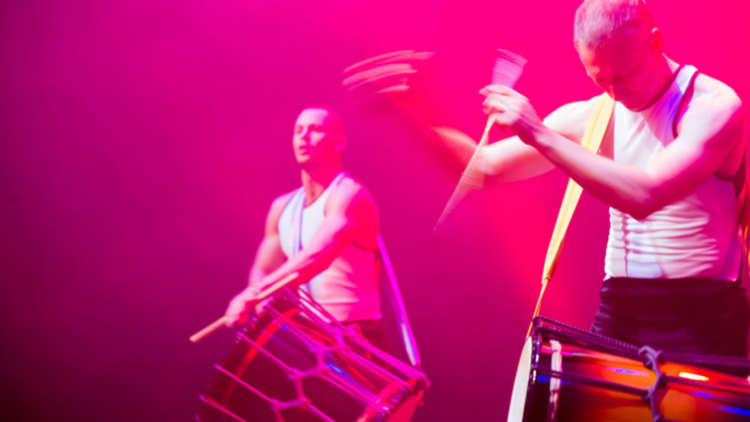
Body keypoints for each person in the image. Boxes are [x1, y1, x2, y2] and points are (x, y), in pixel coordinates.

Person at [346, 0, 750, 356]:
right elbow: (481, 167)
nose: (614, 91)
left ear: (655, 43)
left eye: (623, 74)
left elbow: (646, 194)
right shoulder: (592, 114)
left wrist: (536, 131)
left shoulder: (711, 106)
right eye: (600, 79)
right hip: (621, 310)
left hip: (705, 314)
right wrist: (419, 111)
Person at [224, 106, 389, 351]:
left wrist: (255, 293)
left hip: (357, 335)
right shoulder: (282, 207)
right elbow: (264, 269)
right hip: (308, 335)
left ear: (339, 142)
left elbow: (318, 256)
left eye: (315, 129)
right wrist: (263, 305)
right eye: (298, 130)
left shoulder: (349, 194)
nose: (303, 136)